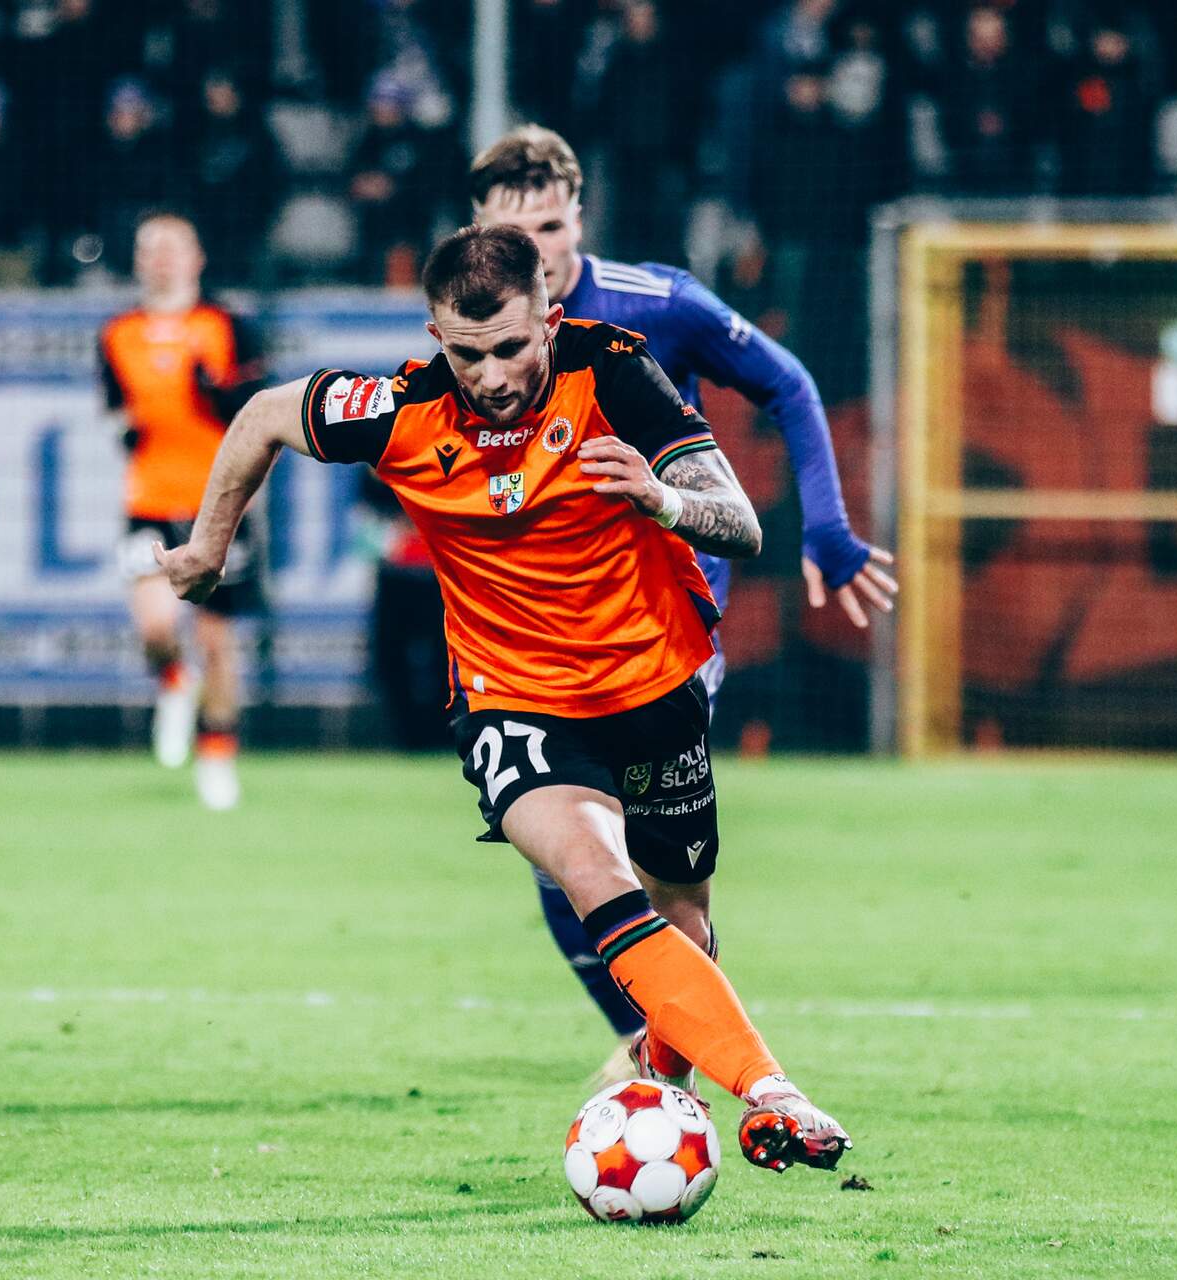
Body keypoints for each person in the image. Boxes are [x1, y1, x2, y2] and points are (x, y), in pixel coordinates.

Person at [157, 224, 852, 1174]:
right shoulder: (401, 408)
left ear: (548, 321)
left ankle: (667, 1095)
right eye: (466, 353)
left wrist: (662, 500)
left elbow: (740, 524)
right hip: (513, 701)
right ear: (436, 336)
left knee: (684, 917)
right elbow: (263, 416)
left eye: (511, 347)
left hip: (654, 684)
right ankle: (774, 1094)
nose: (489, 375)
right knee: (595, 874)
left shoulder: (612, 372)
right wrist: (208, 545)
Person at [469, 125, 898, 1078]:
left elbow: (788, 384)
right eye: (515, 234)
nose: (538, 250)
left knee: (649, 858)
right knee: (559, 853)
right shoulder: (480, 345)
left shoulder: (652, 304)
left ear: (580, 218)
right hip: (542, 630)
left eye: (552, 226)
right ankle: (652, 1046)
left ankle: (668, 1057)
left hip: (666, 623)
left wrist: (827, 529)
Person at [100, 211, 269, 811]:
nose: (163, 259)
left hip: (217, 504)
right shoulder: (118, 333)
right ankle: (174, 681)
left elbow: (258, 411)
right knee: (155, 626)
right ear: (138, 260)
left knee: (218, 641)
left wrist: (215, 394)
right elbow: (116, 411)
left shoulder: (227, 325)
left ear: (197, 258)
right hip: (149, 498)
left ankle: (217, 756)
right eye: (152, 248)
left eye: (174, 247)